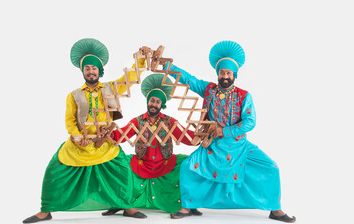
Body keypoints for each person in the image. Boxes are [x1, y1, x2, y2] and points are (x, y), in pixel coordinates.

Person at [165, 41, 296, 222]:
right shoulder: (209, 89)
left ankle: (275, 209)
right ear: (218, 74)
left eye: (228, 73)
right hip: (212, 146)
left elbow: (250, 122)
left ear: (234, 75)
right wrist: (165, 65)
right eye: (222, 73)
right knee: (188, 167)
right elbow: (188, 79)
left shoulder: (244, 95)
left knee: (271, 167)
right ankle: (188, 206)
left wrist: (224, 131)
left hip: (239, 146)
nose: (225, 76)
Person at [23, 38, 148, 223]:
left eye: (94, 68)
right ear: (83, 71)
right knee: (54, 171)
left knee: (122, 170)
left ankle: (127, 206)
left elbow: (130, 78)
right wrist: (77, 137)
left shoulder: (110, 88)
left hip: (104, 142)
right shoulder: (74, 95)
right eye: (87, 68)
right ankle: (46, 210)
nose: (91, 71)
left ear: (100, 70)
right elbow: (70, 120)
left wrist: (141, 59)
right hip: (80, 144)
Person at [101, 74, 202, 216]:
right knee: (119, 165)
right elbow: (122, 135)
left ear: (162, 105)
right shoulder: (138, 121)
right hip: (142, 163)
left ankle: (189, 203)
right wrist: (108, 132)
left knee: (189, 164)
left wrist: (201, 135)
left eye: (157, 102)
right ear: (148, 101)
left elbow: (185, 137)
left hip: (165, 163)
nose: (154, 104)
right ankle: (119, 202)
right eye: (152, 101)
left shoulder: (169, 121)